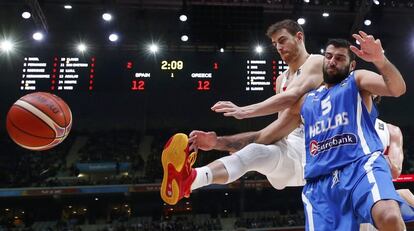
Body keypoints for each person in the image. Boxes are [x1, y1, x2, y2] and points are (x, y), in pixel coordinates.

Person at [160, 19, 324, 205]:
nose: (278, 47)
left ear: (299, 37)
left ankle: (192, 180)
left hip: (316, 154)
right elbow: (278, 130)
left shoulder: (317, 62)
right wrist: (218, 142)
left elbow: (291, 97)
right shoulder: (281, 80)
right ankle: (187, 180)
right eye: (275, 43)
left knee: (254, 152)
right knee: (253, 151)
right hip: (289, 152)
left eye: (282, 40)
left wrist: (243, 111)